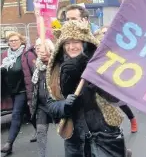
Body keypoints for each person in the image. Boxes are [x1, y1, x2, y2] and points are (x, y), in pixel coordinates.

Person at [46, 21, 129, 157]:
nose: (71, 47)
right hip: (75, 140)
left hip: (105, 134)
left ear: (84, 42)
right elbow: (50, 103)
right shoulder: (57, 69)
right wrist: (63, 105)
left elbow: (117, 97)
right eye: (67, 43)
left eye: (76, 42)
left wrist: (95, 82)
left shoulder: (100, 65)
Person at [94, 25, 139, 133]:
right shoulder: (96, 45)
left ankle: (132, 120)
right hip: (99, 79)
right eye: (103, 32)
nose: (105, 34)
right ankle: (112, 127)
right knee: (102, 105)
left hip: (114, 78)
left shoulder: (117, 45)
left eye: (106, 32)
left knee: (119, 102)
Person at [1, 32, 37, 154]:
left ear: (21, 41)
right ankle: (39, 130)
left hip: (23, 90)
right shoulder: (4, 56)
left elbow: (35, 71)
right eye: (11, 41)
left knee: (16, 114)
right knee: (28, 113)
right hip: (10, 91)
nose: (13, 43)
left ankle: (9, 143)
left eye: (16, 40)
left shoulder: (27, 54)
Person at [31, 38, 55, 157]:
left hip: (57, 105)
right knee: (41, 132)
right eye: (36, 46)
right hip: (41, 107)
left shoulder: (57, 64)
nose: (38, 48)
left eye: (41, 46)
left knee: (64, 134)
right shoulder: (37, 66)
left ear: (49, 49)